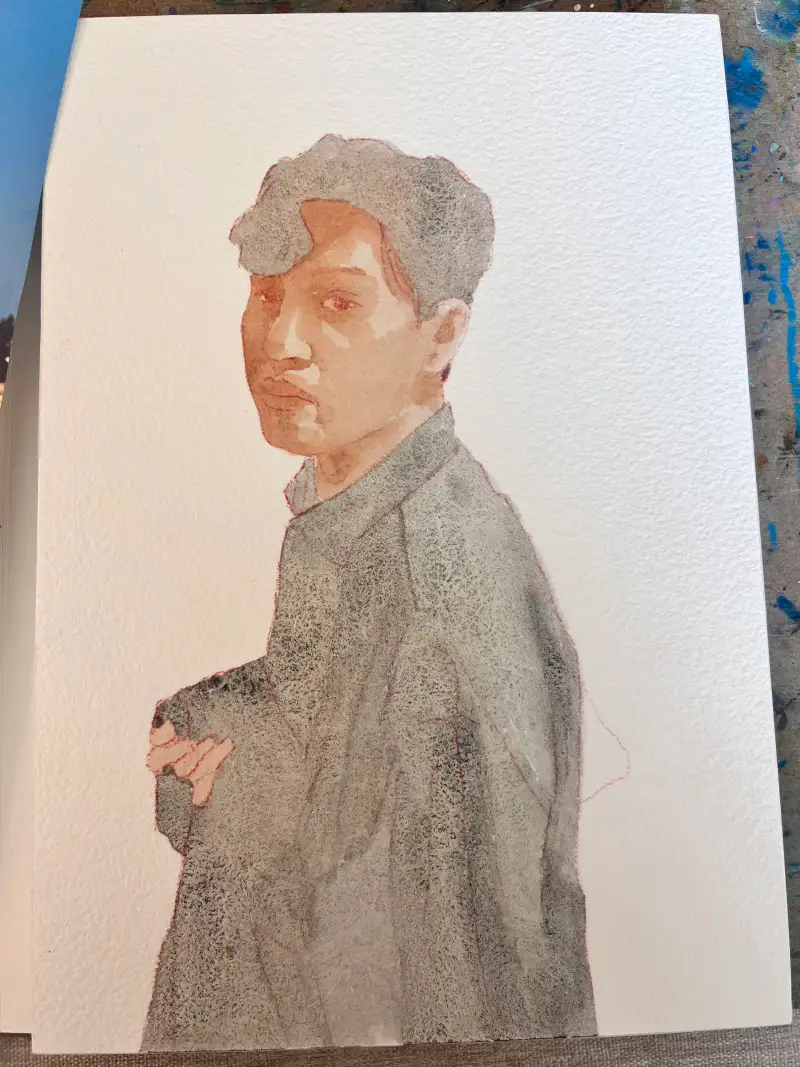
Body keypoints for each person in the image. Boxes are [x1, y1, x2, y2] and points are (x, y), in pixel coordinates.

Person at [141, 135, 596, 1052]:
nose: (281, 343)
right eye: (266, 294)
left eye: (338, 303)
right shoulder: (354, 514)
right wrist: (219, 719)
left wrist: (244, 789)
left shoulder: (442, 592)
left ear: (443, 334)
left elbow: (472, 996)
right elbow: (330, 713)